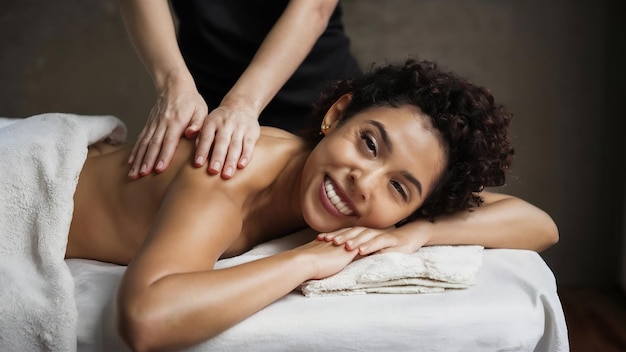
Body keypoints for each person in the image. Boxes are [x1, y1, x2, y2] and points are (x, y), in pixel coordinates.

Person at [65, 60, 558, 351]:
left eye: (400, 188)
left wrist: (416, 234)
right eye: (369, 144)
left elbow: (539, 225)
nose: (364, 182)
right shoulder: (231, 170)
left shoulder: (390, 213)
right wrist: (308, 260)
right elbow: (145, 321)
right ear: (337, 115)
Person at [118, 0, 362, 180]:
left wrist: (241, 104)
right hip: (203, 95)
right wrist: (174, 85)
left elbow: (314, 8)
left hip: (316, 99)